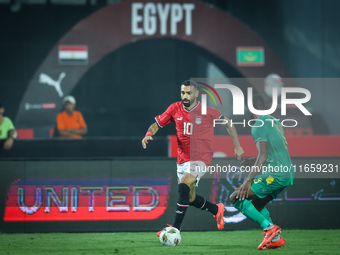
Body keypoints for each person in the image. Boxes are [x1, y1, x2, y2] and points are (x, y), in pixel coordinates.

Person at [141, 80, 244, 235]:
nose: (185, 96)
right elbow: (157, 124)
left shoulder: (207, 112)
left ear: (196, 94)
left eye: (189, 93)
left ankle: (175, 228)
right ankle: (216, 209)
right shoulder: (174, 108)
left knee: (184, 184)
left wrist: (237, 146)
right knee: (189, 198)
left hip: (201, 158)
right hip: (182, 159)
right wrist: (148, 134)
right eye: (183, 92)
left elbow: (229, 123)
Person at [229, 94, 295, 250]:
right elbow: (274, 150)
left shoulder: (258, 124)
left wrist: (248, 180)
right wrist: (256, 158)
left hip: (275, 174)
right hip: (287, 173)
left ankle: (270, 229)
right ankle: (276, 239)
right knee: (257, 205)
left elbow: (264, 155)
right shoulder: (276, 122)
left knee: (236, 197)